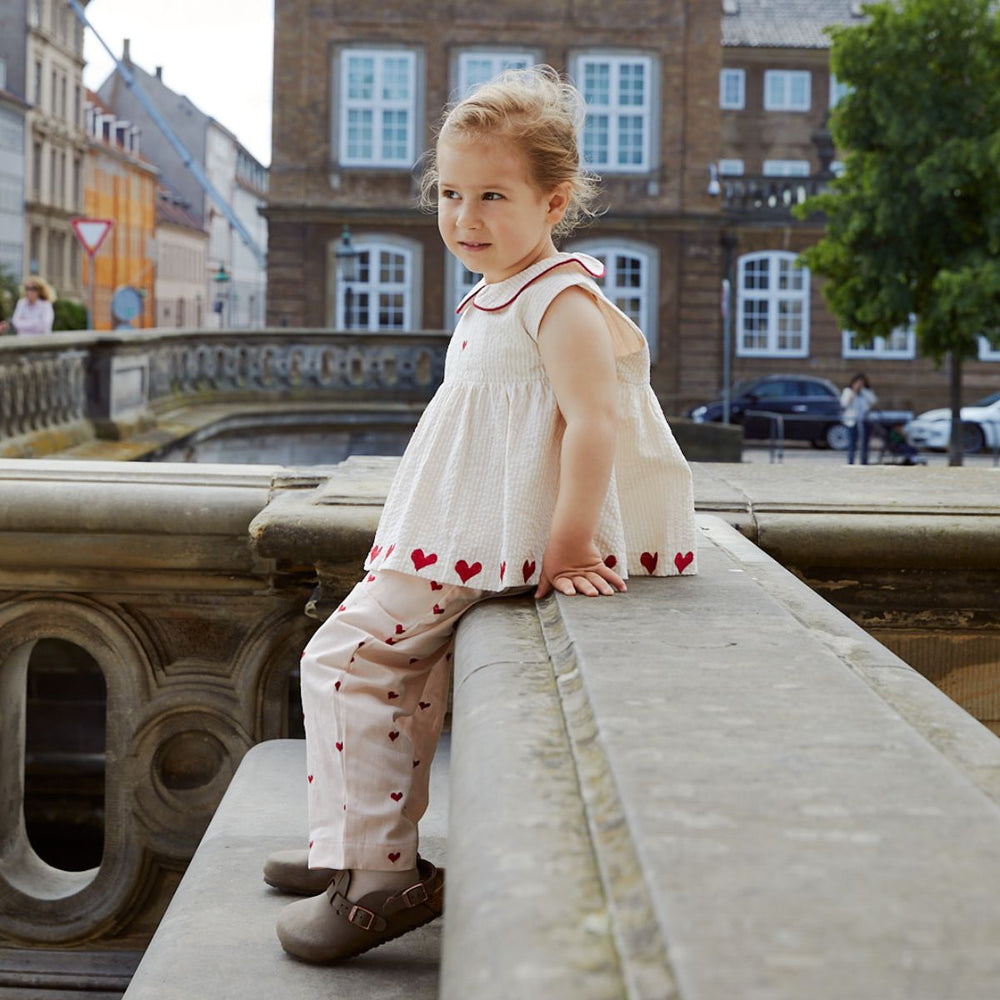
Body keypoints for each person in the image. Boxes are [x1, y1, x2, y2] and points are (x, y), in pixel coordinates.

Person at [265, 65, 699, 964]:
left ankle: (380, 879)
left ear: (555, 201)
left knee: (347, 659)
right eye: (450, 193)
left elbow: (595, 422)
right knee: (393, 673)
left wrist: (571, 540)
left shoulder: (560, 298)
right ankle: (354, 846)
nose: (464, 217)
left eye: (492, 195)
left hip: (492, 538)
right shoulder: (496, 288)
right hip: (460, 527)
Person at [840, 372, 877, 465]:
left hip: (864, 420)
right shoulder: (847, 391)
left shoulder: (866, 392)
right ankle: (851, 462)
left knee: (865, 444)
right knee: (852, 443)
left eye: (862, 383)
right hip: (851, 421)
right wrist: (854, 392)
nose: (860, 385)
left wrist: (863, 391)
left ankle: (864, 462)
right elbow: (844, 404)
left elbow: (873, 401)